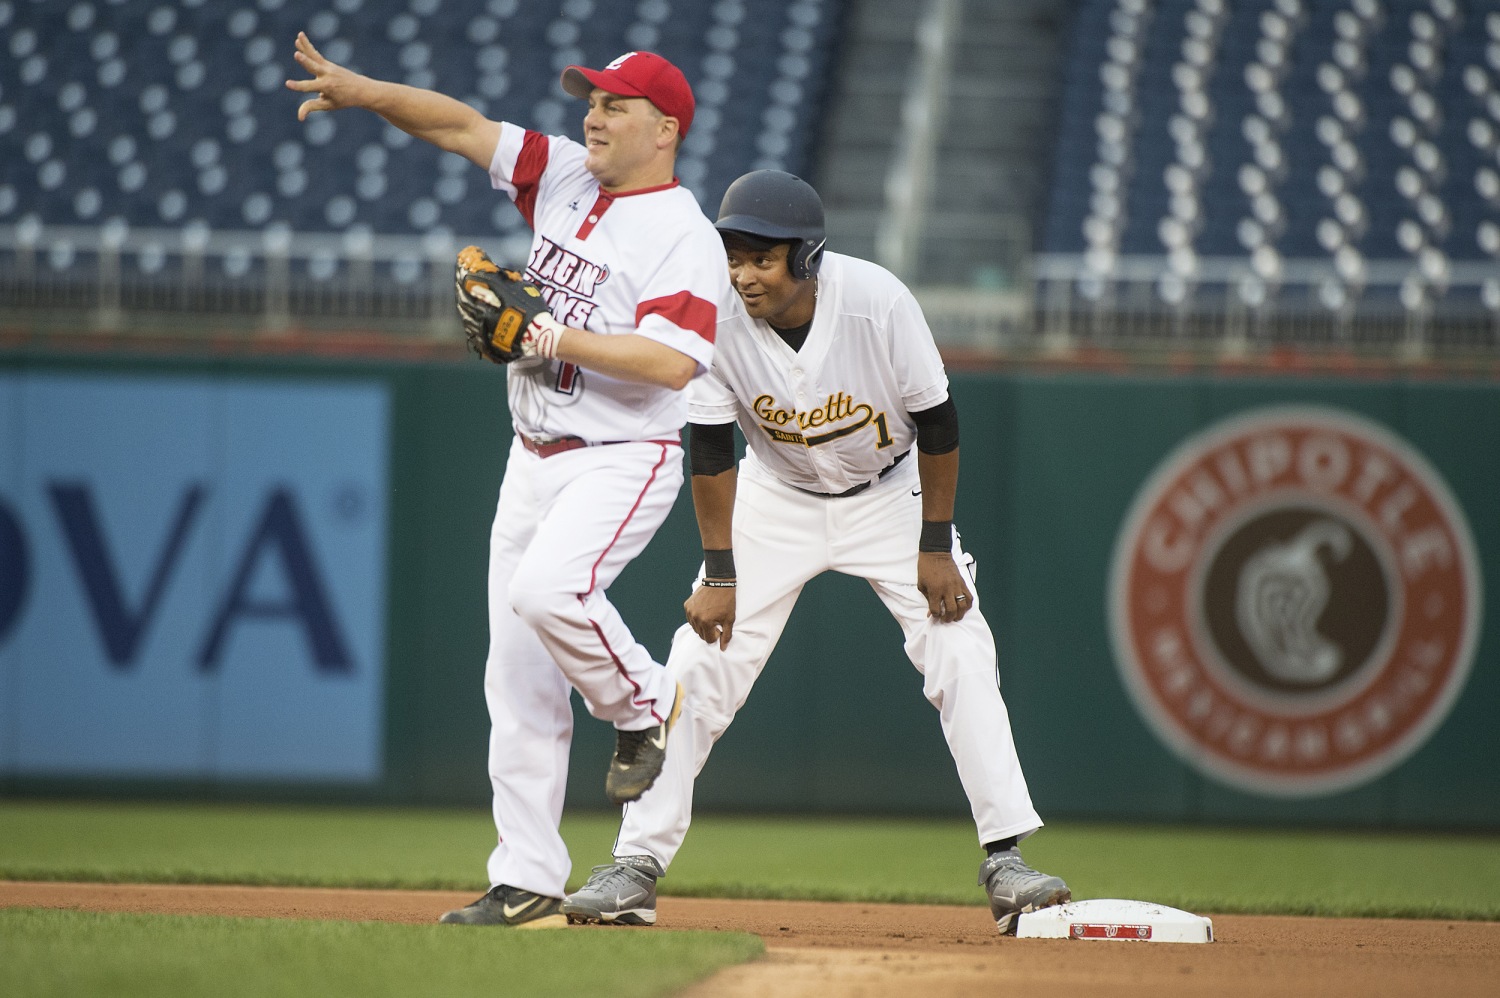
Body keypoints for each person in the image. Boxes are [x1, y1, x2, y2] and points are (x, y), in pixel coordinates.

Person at [287, 38, 728, 927]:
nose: (591, 116)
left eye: (613, 105)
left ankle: (647, 701)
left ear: (665, 127)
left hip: (620, 455)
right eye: (590, 101)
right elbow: (458, 126)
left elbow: (671, 364)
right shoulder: (565, 175)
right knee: (516, 677)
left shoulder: (685, 235)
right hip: (531, 454)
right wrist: (365, 90)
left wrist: (547, 335)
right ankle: (527, 874)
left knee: (549, 592)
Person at [561, 170, 1070, 934]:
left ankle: (1007, 857)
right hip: (777, 497)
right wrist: (721, 573)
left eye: (763, 258)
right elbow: (708, 449)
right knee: (697, 666)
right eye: (735, 255)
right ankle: (634, 866)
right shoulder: (719, 316)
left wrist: (935, 547)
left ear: (807, 256)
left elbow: (938, 423)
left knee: (959, 648)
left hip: (891, 495)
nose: (744, 273)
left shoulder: (876, 301)